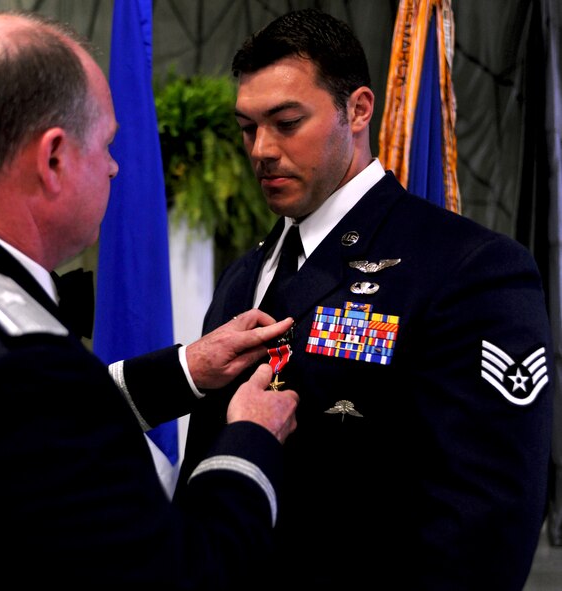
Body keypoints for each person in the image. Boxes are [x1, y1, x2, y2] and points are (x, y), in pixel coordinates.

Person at [0, 12, 300, 590]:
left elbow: (25, 435)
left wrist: (185, 370)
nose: (114, 167)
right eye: (105, 144)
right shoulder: (23, 364)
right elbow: (182, 576)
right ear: (52, 160)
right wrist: (250, 437)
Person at [175, 8, 555, 590]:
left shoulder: (466, 268)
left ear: (357, 110)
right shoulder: (245, 275)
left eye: (286, 122)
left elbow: (484, 529)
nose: (261, 150)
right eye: (248, 127)